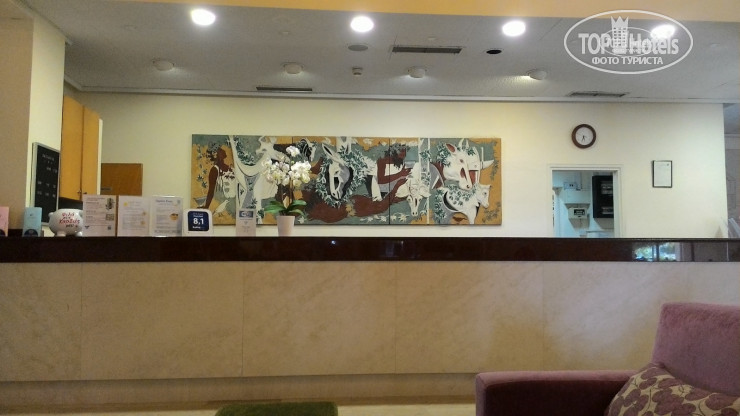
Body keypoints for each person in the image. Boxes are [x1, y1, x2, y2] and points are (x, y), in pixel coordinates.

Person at [198, 143, 237, 217]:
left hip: (233, 203)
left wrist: (206, 206)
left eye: (208, 156)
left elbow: (211, 191)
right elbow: (211, 190)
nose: (207, 158)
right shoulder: (227, 169)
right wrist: (206, 206)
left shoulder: (218, 170)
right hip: (232, 202)